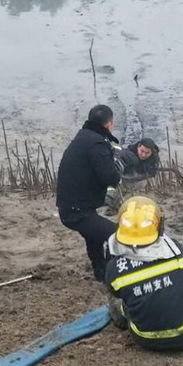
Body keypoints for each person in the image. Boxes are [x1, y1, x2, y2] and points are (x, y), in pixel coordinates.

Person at [102, 196, 183, 351]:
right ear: (159, 227)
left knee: (123, 302)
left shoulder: (115, 269)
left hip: (146, 340)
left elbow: (116, 293)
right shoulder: (176, 251)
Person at [56, 104, 122, 282]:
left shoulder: (84, 136)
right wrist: (119, 169)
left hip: (74, 206)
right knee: (118, 236)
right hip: (76, 212)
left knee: (94, 237)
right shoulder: (97, 143)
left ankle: (101, 273)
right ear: (109, 124)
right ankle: (119, 272)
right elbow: (110, 177)